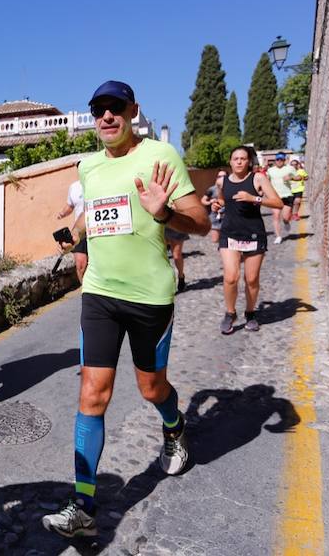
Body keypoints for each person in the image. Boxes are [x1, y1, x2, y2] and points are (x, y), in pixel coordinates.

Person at [41, 81, 210, 538]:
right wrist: (75, 239)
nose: (107, 117)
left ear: (133, 111)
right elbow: (94, 216)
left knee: (152, 389)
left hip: (149, 296)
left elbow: (201, 223)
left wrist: (163, 214)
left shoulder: (160, 157)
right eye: (98, 110)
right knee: (92, 394)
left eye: (115, 108)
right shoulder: (88, 166)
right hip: (99, 293)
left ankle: (174, 428)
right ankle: (83, 503)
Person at [214, 146, 283, 334]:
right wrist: (216, 205)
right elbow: (223, 201)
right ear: (230, 161)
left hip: (253, 234)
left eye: (242, 158)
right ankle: (230, 313)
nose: (238, 162)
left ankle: (250, 313)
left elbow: (278, 202)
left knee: (251, 279)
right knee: (230, 277)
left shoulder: (258, 178)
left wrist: (254, 198)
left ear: (248, 161)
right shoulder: (222, 181)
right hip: (229, 233)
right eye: (235, 158)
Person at [57, 177, 88, 282]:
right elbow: (70, 206)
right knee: (80, 264)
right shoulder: (74, 187)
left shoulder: (97, 180)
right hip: (79, 231)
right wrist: (62, 213)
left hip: (98, 228)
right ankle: (85, 292)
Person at [266, 153, 296, 244]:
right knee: (275, 216)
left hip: (287, 195)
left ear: (284, 160)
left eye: (281, 160)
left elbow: (298, 177)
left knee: (285, 217)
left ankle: (286, 222)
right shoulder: (270, 170)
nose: (279, 161)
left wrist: (291, 177)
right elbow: (266, 180)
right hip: (275, 196)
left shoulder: (290, 168)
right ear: (275, 161)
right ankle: (278, 236)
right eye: (278, 160)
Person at [200, 170, 227, 244]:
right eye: (219, 176)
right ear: (216, 178)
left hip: (228, 217)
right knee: (215, 239)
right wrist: (210, 202)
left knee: (226, 240)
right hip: (214, 217)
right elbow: (203, 200)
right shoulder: (212, 189)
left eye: (224, 176)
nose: (222, 178)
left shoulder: (230, 188)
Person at [164, 226, 188, 292]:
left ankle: (181, 276)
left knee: (177, 255)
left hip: (176, 225)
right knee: (160, 255)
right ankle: (165, 280)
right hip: (160, 225)